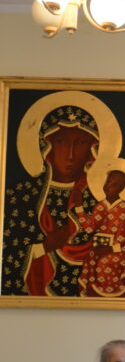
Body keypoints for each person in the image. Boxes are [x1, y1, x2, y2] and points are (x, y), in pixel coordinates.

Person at [2, 105, 99, 296]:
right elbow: (8, 253)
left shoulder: (97, 200)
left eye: (79, 143)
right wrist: (44, 247)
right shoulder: (21, 195)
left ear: (91, 150)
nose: (70, 154)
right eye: (61, 141)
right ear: (46, 145)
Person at [73, 168, 125, 297]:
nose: (109, 187)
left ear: (122, 187)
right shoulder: (100, 206)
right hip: (102, 247)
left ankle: (110, 296)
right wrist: (79, 206)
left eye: (114, 184)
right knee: (91, 257)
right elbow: (89, 228)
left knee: (105, 262)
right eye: (107, 183)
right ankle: (93, 295)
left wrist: (112, 248)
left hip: (121, 251)